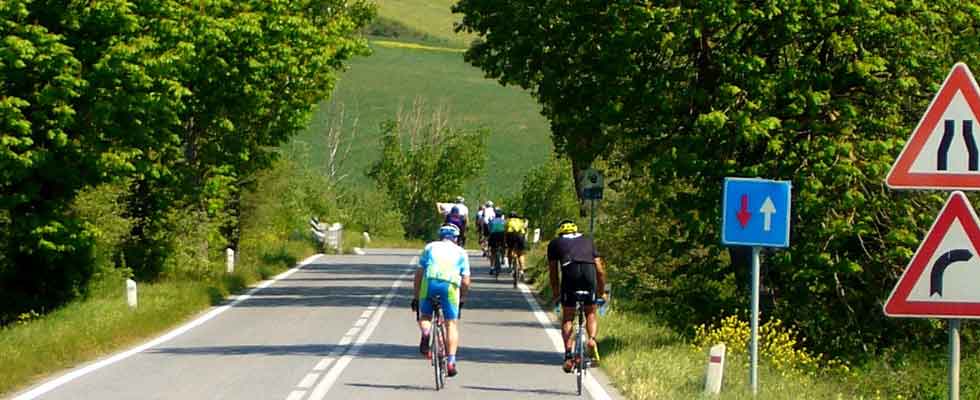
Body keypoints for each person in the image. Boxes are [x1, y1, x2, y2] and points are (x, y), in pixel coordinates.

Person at [547, 219, 607, 373]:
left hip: (570, 275)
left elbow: (553, 272)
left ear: (560, 232)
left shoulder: (555, 243)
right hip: (589, 274)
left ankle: (568, 355)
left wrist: (556, 294)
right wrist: (601, 291)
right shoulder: (588, 241)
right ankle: (592, 340)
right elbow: (600, 269)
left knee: (568, 317)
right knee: (591, 313)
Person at [411, 224, 471, 378]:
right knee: (451, 323)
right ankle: (451, 361)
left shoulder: (430, 247)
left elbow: (419, 273)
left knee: (425, 316)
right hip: (450, 286)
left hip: (429, 283)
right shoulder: (461, 252)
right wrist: (463, 297)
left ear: (440, 236)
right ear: (456, 238)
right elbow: (465, 281)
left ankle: (426, 332)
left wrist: (416, 296)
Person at [504, 212, 528, 279]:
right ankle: (522, 271)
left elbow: (505, 232)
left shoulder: (507, 221)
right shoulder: (520, 221)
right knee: (521, 254)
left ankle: (510, 267)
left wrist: (505, 242)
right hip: (520, 236)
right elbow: (525, 229)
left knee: (510, 250)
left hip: (511, 236)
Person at [487, 209, 507, 273]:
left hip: (493, 235)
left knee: (492, 251)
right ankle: (503, 258)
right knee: (504, 246)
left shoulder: (492, 221)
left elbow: (489, 230)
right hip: (502, 235)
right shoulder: (504, 221)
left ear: (495, 215)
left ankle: (492, 267)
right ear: (501, 216)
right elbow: (506, 230)